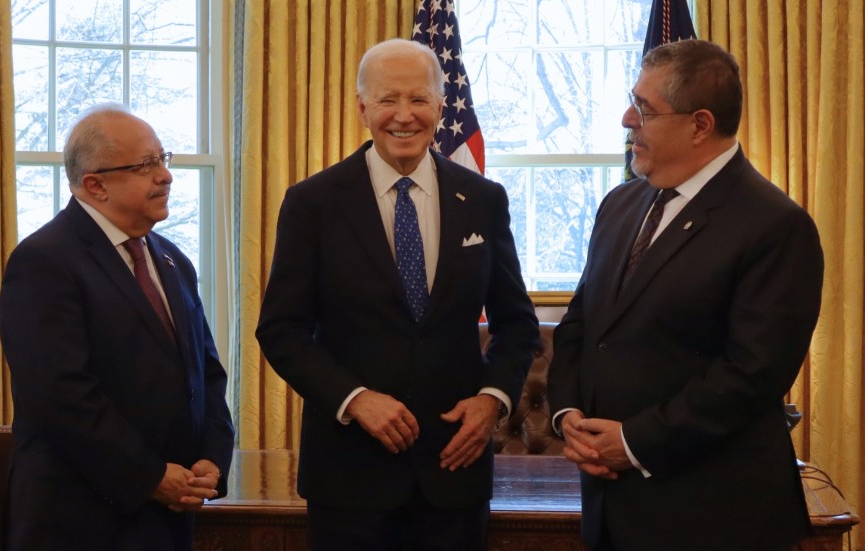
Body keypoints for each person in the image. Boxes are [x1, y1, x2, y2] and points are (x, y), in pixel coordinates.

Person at [255, 38, 540, 550]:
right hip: (349, 477)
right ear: (363, 108)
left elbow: (516, 322)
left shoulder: (482, 199)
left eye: (418, 99)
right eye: (388, 100)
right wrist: (355, 399)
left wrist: (492, 400)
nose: (403, 116)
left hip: (456, 469)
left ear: (439, 106)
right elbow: (281, 330)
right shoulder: (312, 203)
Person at [547, 39, 824, 551]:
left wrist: (631, 444)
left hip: (713, 516)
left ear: (700, 125)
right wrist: (570, 418)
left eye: (645, 109)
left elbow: (751, 375)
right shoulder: (620, 203)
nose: (627, 118)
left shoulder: (775, 225)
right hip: (610, 507)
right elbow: (583, 324)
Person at [0, 104, 235, 550]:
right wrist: (148, 476)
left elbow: (206, 372)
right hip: (79, 519)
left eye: (163, 159)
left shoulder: (170, 259)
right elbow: (59, 395)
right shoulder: (45, 261)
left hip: (167, 516)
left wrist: (211, 457)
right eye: (146, 165)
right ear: (95, 185)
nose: (165, 175)